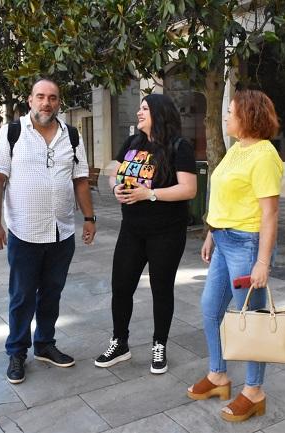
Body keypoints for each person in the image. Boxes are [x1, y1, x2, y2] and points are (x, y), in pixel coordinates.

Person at [0, 78, 96, 384]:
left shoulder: (71, 136)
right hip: (24, 232)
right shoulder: (12, 133)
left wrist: (89, 218)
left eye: (52, 98)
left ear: (59, 102)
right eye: (40, 97)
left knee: (52, 292)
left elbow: (80, 180)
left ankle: (45, 344)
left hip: (62, 232)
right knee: (22, 296)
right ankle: (17, 351)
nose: (46, 103)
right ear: (30, 99)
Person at [188, 89, 283, 423]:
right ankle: (218, 376)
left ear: (248, 115)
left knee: (251, 320)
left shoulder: (265, 154)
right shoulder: (235, 150)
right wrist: (212, 233)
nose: (225, 117)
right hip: (225, 240)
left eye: (230, 112)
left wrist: (262, 262)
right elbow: (225, 197)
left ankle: (254, 391)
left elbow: (269, 213)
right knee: (211, 308)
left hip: (248, 244)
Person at [93, 94, 196, 374]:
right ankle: (120, 342)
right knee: (121, 286)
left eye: (145, 109)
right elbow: (114, 171)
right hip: (132, 230)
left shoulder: (179, 147)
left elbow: (189, 189)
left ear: (159, 114)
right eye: (139, 107)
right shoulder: (133, 142)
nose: (139, 112)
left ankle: (159, 344)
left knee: (161, 290)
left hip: (166, 232)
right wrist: (115, 187)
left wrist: (149, 194)